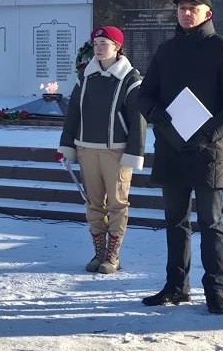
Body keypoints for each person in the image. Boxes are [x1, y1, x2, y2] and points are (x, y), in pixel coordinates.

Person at [137, 0, 223, 314]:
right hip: (172, 147)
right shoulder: (166, 51)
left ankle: (215, 290)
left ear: (207, 13)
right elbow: (145, 95)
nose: (186, 13)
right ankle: (176, 287)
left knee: (211, 224)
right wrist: (155, 113)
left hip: (208, 151)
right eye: (181, 8)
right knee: (175, 222)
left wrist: (208, 133)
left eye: (193, 8)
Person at [58, 25, 146, 274]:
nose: (98, 48)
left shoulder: (130, 78)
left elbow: (137, 119)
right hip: (86, 149)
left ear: (117, 47)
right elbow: (73, 114)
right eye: (96, 44)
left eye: (104, 44)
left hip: (116, 151)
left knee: (117, 204)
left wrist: (134, 152)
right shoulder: (85, 76)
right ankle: (99, 253)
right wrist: (67, 145)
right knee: (93, 203)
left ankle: (112, 255)